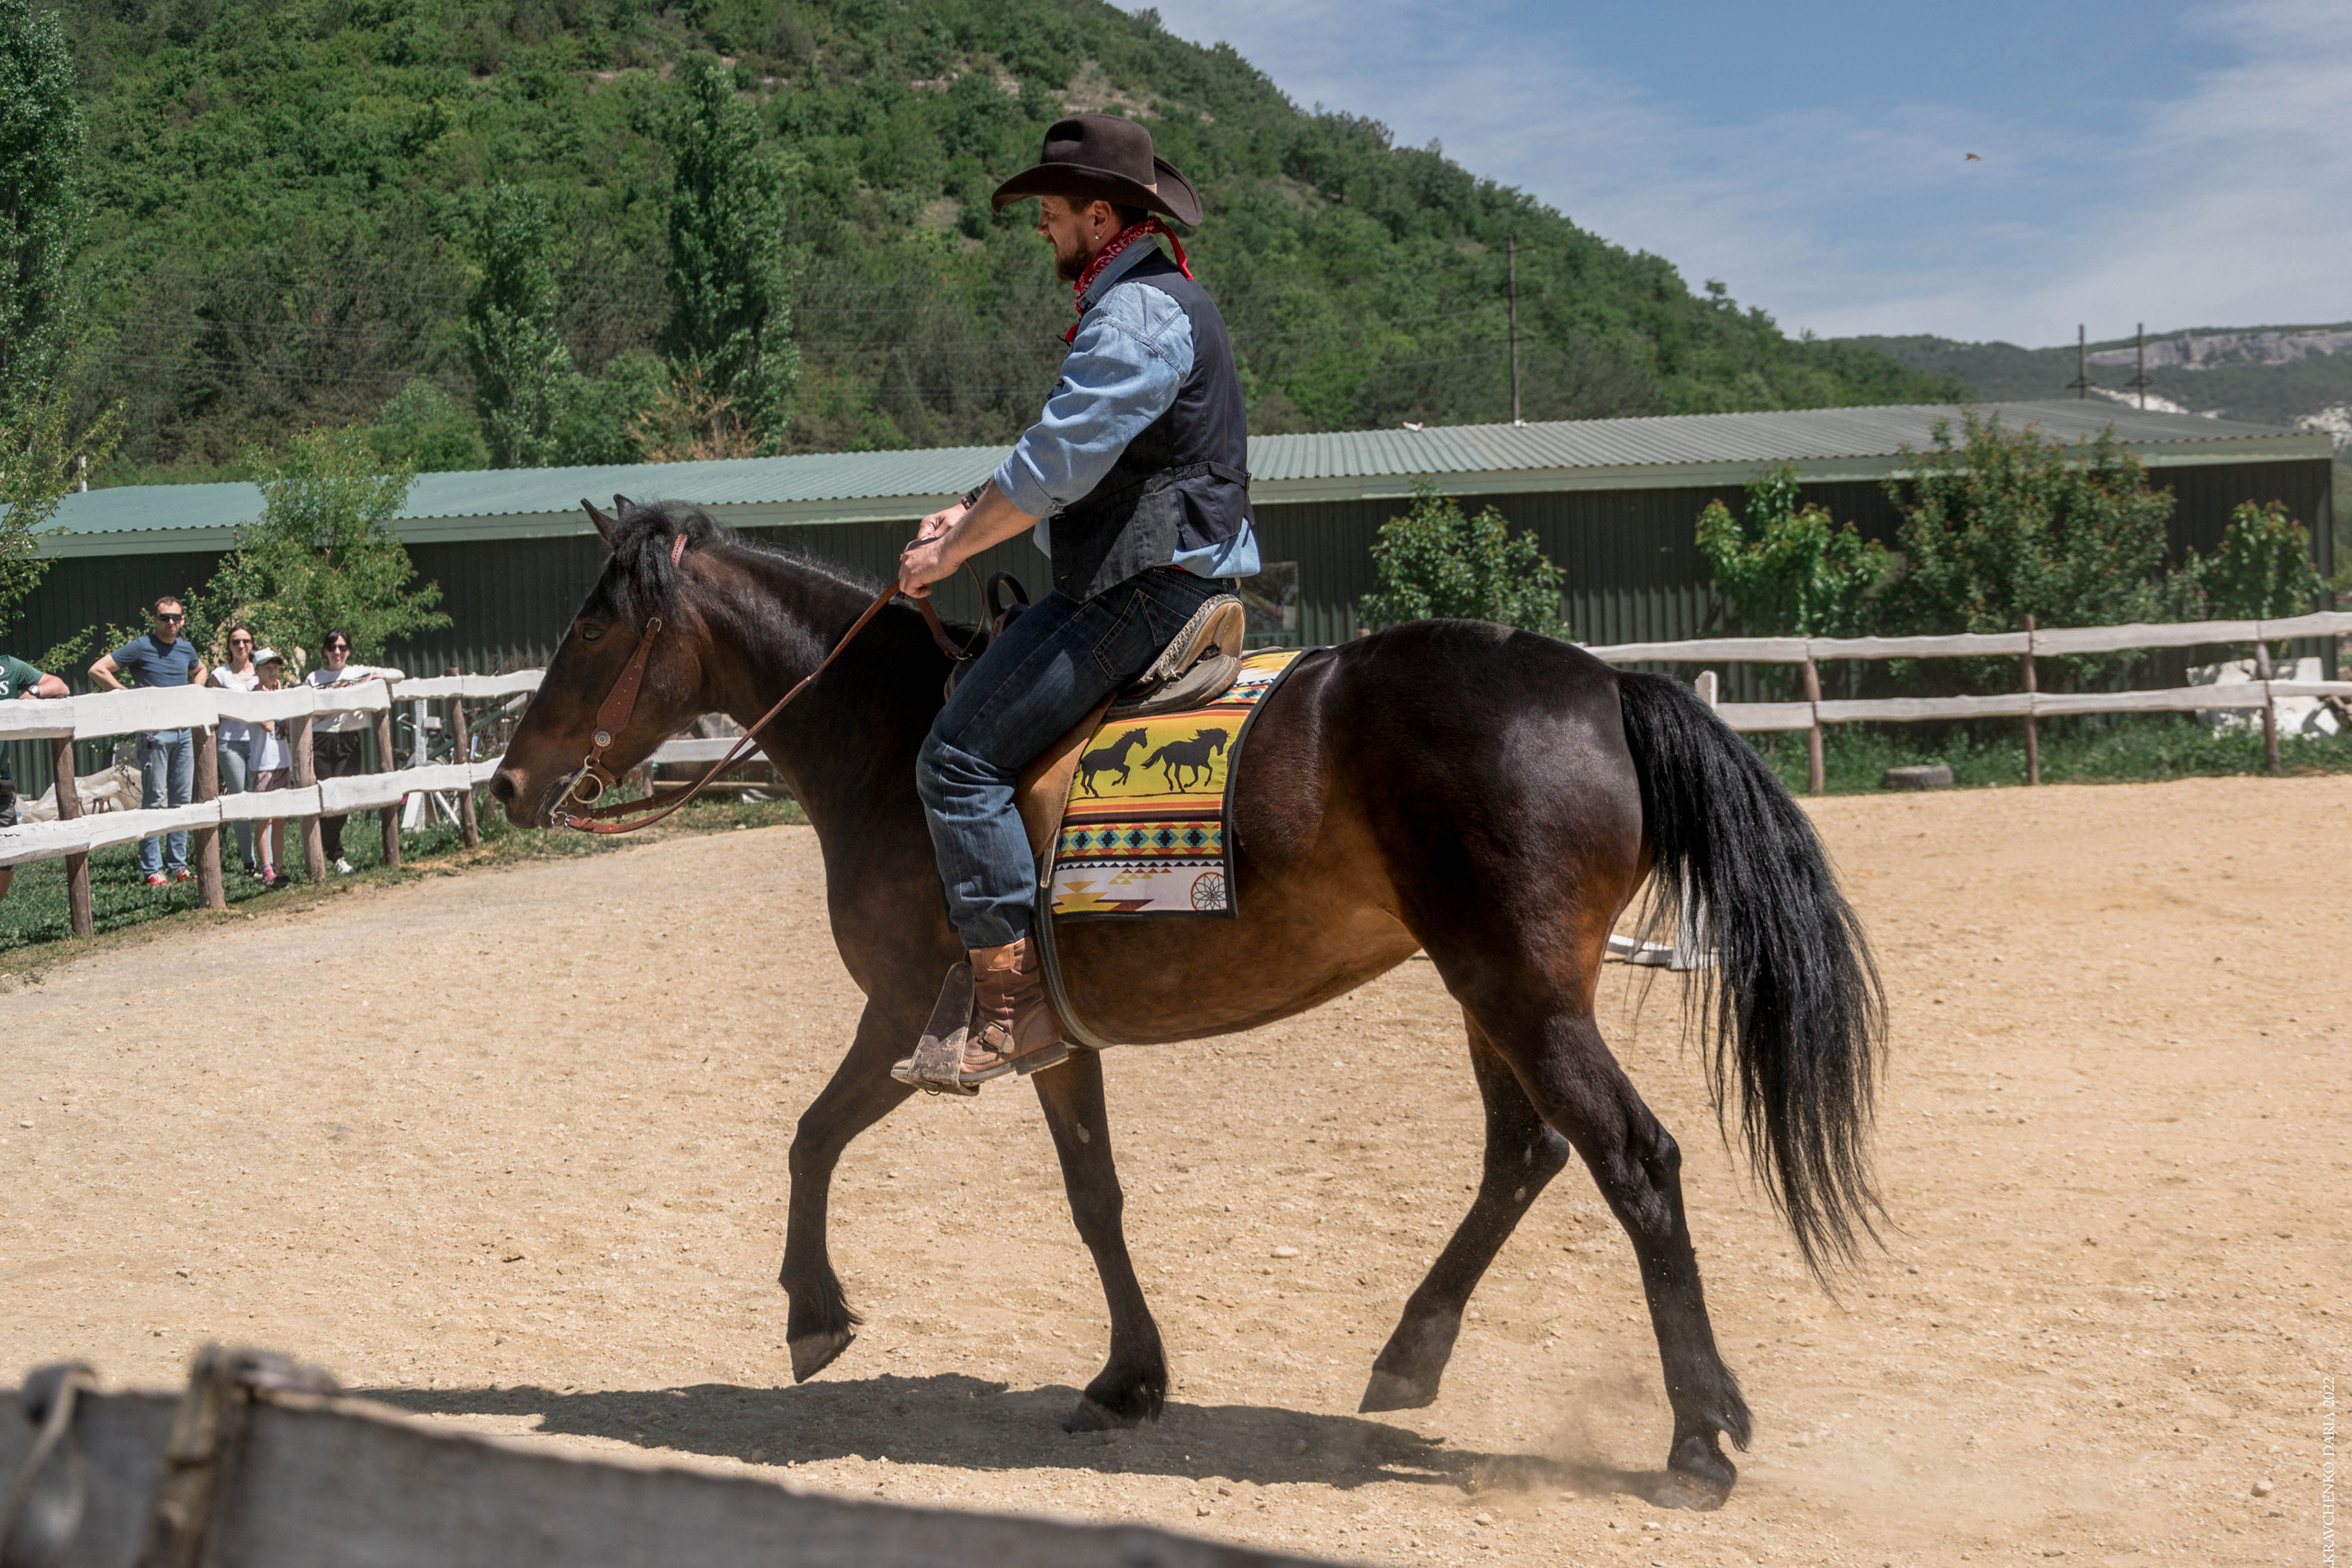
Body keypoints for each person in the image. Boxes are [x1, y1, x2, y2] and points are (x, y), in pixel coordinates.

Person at [890, 115, 1259, 1089]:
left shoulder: (1132, 313)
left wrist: (950, 551)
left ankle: (1012, 1009)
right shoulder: (1152, 298)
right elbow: (1064, 450)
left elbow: (1057, 462)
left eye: (1051, 212)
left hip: (1142, 585)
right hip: (1169, 569)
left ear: (1100, 218)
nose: (1042, 227)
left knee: (956, 761)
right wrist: (967, 510)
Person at [90, 596, 208, 886]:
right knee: (153, 798)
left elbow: (201, 669)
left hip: (183, 732)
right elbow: (98, 670)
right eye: (165, 617)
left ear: (183, 620)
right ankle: (152, 870)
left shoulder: (185, 648)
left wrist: (194, 693)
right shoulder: (141, 646)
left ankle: (179, 866)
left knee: (181, 801)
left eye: (176, 617)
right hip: (154, 732)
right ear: (155, 620)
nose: (171, 622)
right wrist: (128, 696)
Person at [302, 629, 401, 874]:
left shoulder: (358, 672)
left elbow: (398, 674)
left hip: (349, 740)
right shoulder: (314, 678)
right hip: (321, 740)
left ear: (349, 651)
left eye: (342, 647)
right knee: (326, 798)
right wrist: (335, 698)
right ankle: (335, 855)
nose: (337, 652)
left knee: (345, 799)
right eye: (332, 647)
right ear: (325, 651)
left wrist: (375, 677)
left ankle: (322, 848)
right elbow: (310, 713)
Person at [0, 650, 71, 902]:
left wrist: (33, 692)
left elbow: (59, 685)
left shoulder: (9, 666)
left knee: (8, 858)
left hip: (1, 783)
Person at [208, 625, 262, 875]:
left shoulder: (262, 671)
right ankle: (249, 862)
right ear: (229, 646)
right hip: (230, 743)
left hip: (259, 742)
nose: (241, 645)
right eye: (236, 641)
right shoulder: (220, 675)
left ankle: (268, 862)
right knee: (240, 800)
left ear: (252, 644)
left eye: (246, 641)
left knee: (261, 799)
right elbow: (210, 711)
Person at [247, 649, 294, 889]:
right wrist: (277, 700)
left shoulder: (278, 695)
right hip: (263, 763)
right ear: (256, 670)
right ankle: (266, 868)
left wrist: (280, 697)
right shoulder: (255, 696)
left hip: (282, 761)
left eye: (275, 668)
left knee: (280, 818)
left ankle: (278, 865)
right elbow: (267, 723)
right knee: (264, 818)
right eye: (267, 668)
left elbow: (289, 724)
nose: (273, 672)